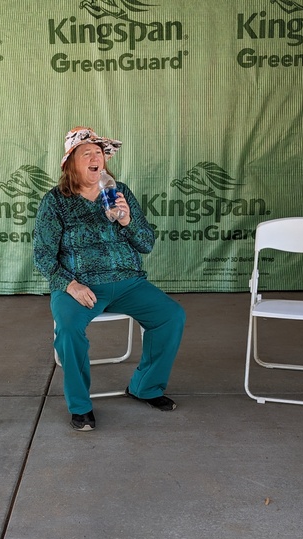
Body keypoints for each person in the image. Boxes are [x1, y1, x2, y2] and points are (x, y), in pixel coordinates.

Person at [33, 126, 186, 431]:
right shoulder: (55, 202)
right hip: (79, 285)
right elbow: (43, 255)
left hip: (127, 282)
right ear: (71, 164)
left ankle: (146, 387)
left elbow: (146, 243)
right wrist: (70, 284)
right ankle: (80, 406)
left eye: (99, 152)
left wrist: (128, 220)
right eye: (86, 153)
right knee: (68, 330)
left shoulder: (119, 192)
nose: (95, 157)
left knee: (171, 316)